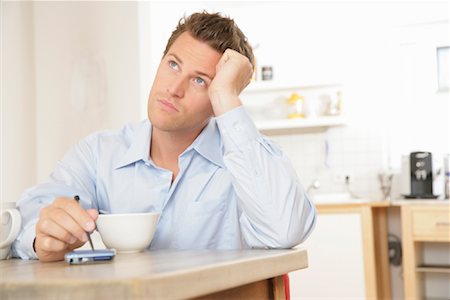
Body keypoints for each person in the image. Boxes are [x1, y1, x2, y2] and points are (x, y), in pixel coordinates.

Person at [12, 11, 316, 262]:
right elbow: (27, 214)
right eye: (173, 65)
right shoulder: (100, 152)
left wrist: (226, 95)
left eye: (200, 80)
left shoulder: (248, 163)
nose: (174, 88)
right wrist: (42, 236)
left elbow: (286, 229)